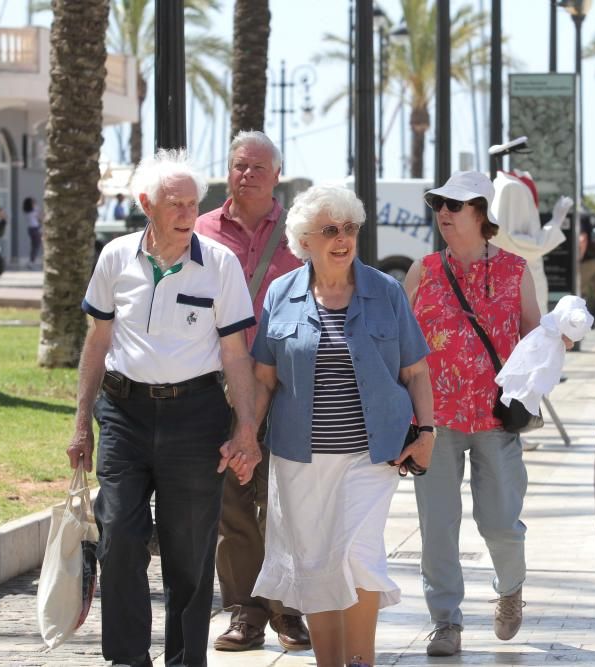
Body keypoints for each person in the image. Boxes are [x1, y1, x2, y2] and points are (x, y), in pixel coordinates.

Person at [68, 149, 261, 667]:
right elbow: (97, 342)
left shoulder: (219, 265)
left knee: (188, 555)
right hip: (124, 416)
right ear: (146, 204)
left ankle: (183, 661)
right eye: (174, 203)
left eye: (192, 203)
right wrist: (82, 422)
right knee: (119, 543)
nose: (184, 213)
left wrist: (246, 429)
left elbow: (235, 354)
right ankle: (129, 659)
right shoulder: (115, 257)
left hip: (196, 418)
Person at [249, 183, 433, 667]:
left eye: (349, 227)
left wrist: (427, 432)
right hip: (298, 457)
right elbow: (264, 380)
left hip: (371, 455)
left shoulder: (386, 291)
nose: (342, 237)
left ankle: (362, 661)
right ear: (304, 240)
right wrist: (245, 435)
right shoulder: (280, 294)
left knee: (358, 556)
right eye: (329, 229)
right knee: (316, 565)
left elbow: (415, 371)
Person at [404, 170, 543, 657]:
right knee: (437, 524)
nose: (443, 212)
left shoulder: (513, 270)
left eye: (454, 205)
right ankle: (446, 620)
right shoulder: (423, 271)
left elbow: (534, 339)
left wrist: (557, 343)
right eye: (438, 203)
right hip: (434, 421)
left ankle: (510, 590)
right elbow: (401, 345)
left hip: (495, 419)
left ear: (481, 213)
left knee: (501, 521)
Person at [194, 130, 309, 652]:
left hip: (286, 383)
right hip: (218, 382)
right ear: (229, 171)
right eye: (241, 165)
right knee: (233, 500)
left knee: (286, 498)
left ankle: (289, 611)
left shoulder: (300, 233)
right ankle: (246, 612)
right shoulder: (200, 230)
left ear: (277, 175)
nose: (249, 175)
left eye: (260, 167)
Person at [489, 169, 568, 313]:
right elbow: (524, 246)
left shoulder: (508, 185)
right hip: (521, 285)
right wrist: (556, 221)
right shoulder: (512, 187)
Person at [23, 197, 42, 267]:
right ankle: (32, 261)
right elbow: (40, 217)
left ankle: (32, 261)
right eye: (32, 202)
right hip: (35, 229)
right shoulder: (32, 211)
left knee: (34, 246)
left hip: (31, 229)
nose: (34, 203)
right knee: (36, 245)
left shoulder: (27, 211)